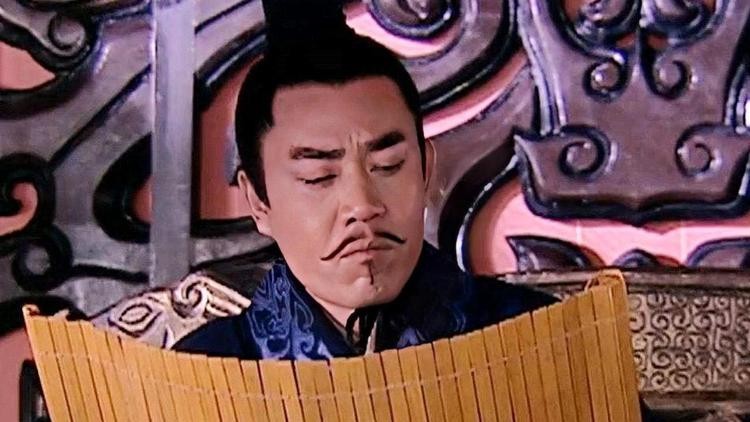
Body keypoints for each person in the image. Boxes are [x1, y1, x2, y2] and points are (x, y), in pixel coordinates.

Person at [173, 0, 555, 360]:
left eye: (388, 165)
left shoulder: (541, 339)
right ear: (259, 202)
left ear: (424, 169)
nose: (362, 204)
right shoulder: (204, 372)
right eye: (318, 177)